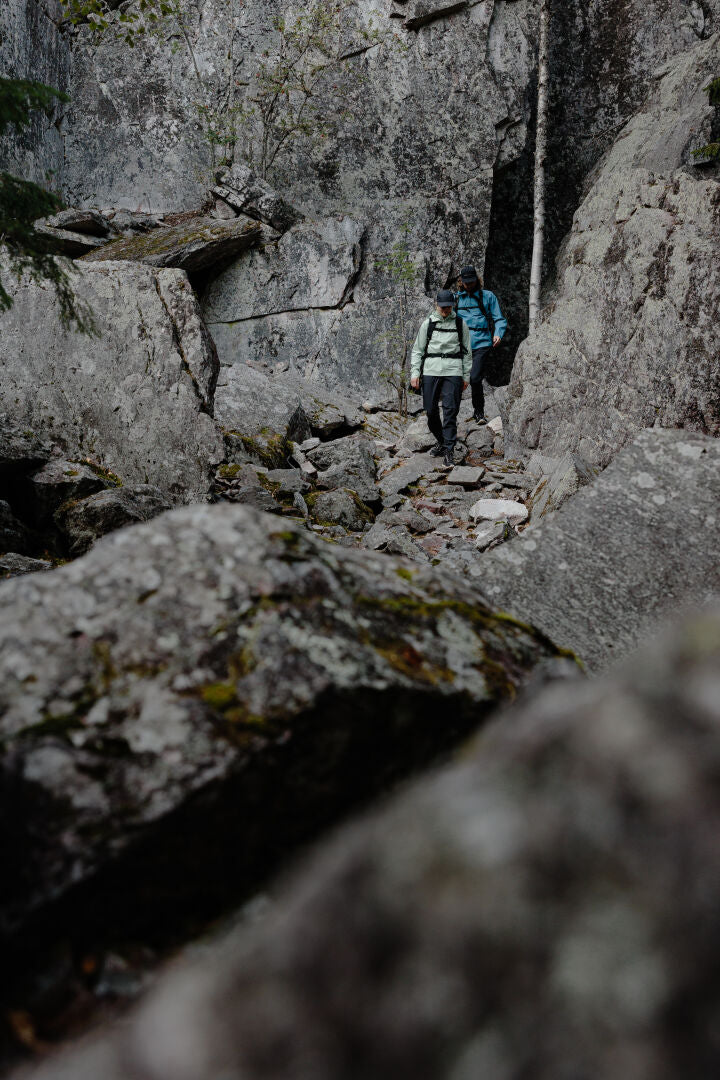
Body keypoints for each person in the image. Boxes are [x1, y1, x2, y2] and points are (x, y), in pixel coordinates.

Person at [410, 289, 471, 468]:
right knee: (430, 410)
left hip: (453, 371)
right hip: (431, 370)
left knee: (450, 410)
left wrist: (465, 375)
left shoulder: (460, 324)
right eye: (442, 307)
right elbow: (417, 350)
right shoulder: (428, 324)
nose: (445, 310)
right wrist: (415, 373)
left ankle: (449, 451)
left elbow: (467, 352)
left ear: (453, 305)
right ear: (436, 305)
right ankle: (442, 441)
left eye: (448, 307)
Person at [455, 266, 507, 424]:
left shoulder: (488, 296)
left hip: (482, 342)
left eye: (471, 282)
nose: (469, 285)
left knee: (475, 378)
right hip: (461, 344)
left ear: (476, 280)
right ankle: (452, 416)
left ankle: (479, 413)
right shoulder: (457, 298)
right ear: (461, 282)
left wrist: (498, 333)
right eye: (466, 282)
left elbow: (499, 319)